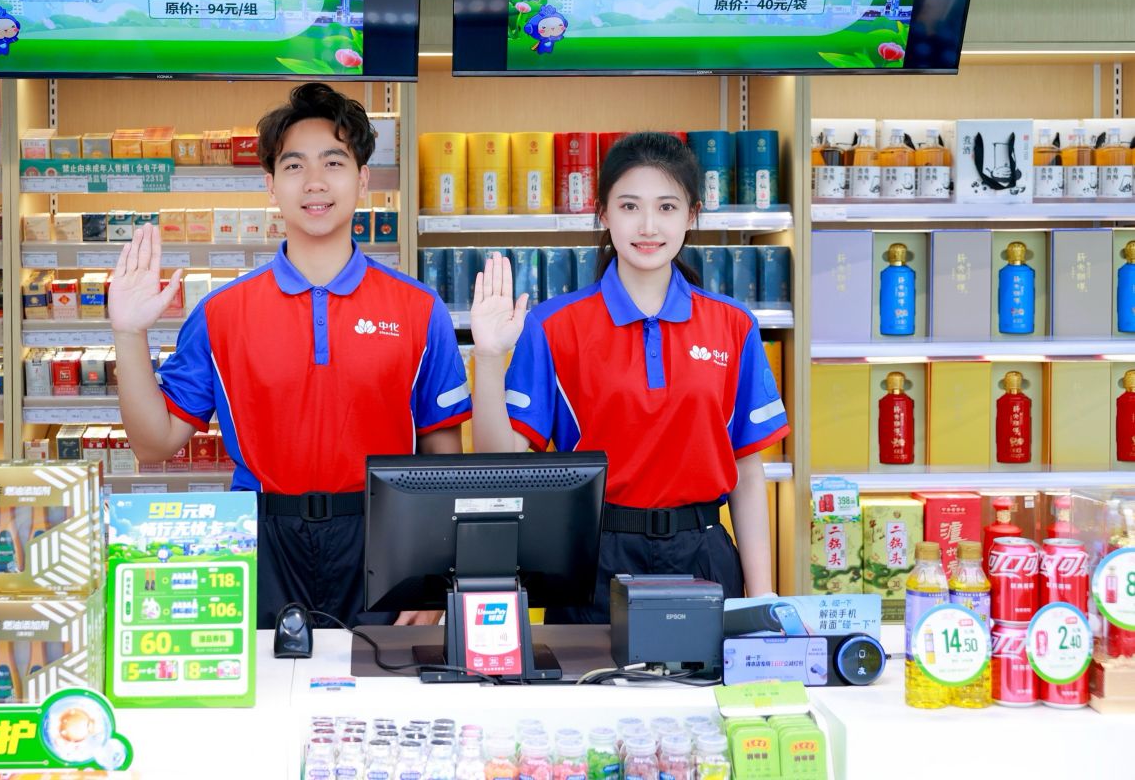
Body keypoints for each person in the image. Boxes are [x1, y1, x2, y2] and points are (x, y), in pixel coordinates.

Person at [109, 83, 469, 628]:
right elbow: (154, 442)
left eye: (334, 162)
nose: (315, 182)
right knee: (262, 684)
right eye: (295, 165)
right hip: (258, 542)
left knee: (378, 682)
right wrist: (128, 333)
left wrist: (434, 568)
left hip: (384, 541)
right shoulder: (221, 312)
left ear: (363, 179)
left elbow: (443, 456)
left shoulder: (419, 309)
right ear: (271, 185)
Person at [468, 132, 787, 622]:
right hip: (592, 559)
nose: (648, 226)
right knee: (588, 675)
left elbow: (746, 471)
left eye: (667, 207)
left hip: (702, 556)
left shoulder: (733, 324)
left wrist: (761, 597)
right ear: (603, 213)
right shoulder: (554, 325)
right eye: (629, 206)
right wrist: (489, 358)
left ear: (692, 215)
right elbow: (499, 462)